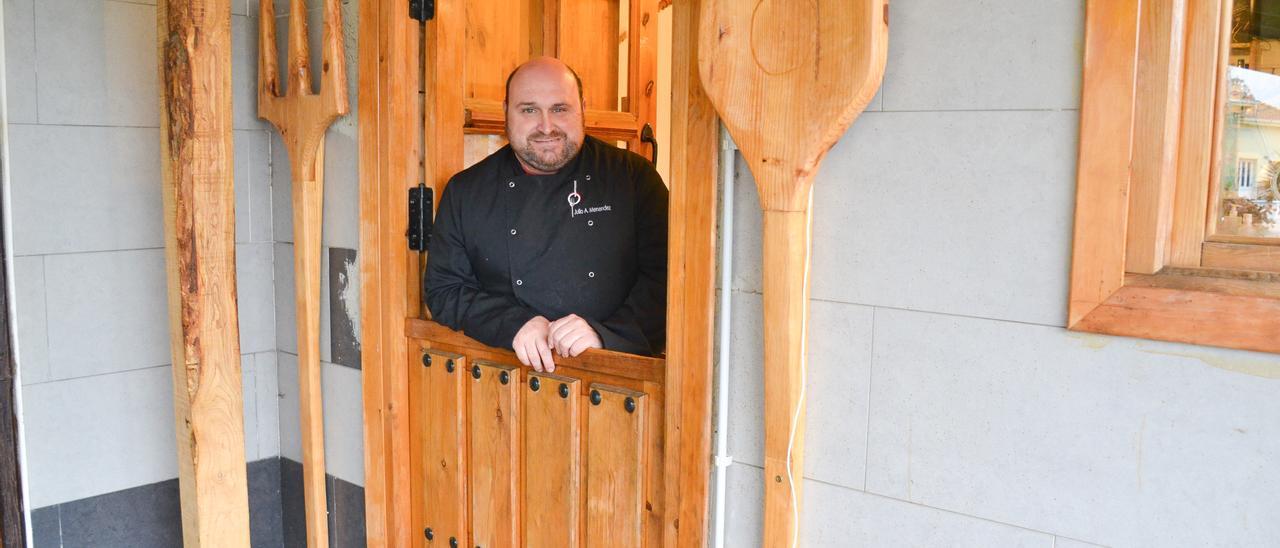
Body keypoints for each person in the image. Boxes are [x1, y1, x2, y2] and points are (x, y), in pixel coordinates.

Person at [424, 57, 668, 372]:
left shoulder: (633, 178)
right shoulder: (466, 191)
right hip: (503, 380)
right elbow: (444, 289)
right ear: (506, 112)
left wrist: (606, 334)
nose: (546, 126)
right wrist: (512, 323)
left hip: (615, 384)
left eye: (559, 109)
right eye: (529, 110)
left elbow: (669, 279)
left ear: (582, 108)